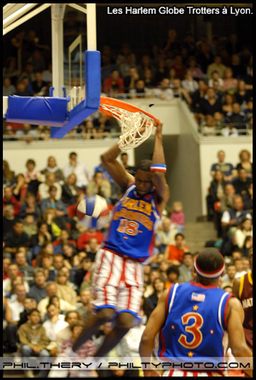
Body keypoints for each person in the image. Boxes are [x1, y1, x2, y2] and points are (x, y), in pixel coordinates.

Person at [73, 123, 169, 357]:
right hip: (112, 255)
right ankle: (72, 351)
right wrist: (127, 139)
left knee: (126, 322)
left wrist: (158, 136)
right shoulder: (129, 186)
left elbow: (158, 173)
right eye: (140, 179)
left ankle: (93, 361)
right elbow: (107, 158)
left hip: (135, 265)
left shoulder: (159, 198)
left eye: (148, 181)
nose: (143, 185)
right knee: (105, 314)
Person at [139, 248, 252, 377]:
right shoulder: (229, 303)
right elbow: (239, 350)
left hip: (173, 372)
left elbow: (147, 337)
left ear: (194, 270)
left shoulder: (171, 293)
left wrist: (147, 368)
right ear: (222, 273)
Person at [232, 249, 253, 349]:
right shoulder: (239, 282)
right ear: (249, 260)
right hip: (246, 339)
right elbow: (233, 315)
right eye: (251, 256)